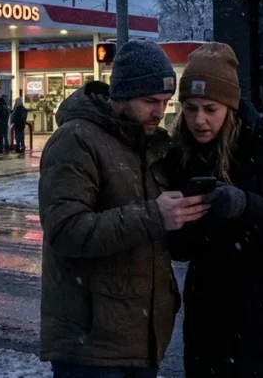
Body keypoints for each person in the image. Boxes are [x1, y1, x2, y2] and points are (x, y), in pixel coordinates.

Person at [38, 39, 210, 377]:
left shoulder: (151, 145)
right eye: (149, 101)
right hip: (92, 347)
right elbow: (65, 230)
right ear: (121, 96)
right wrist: (154, 215)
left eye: (165, 102)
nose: (159, 112)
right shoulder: (76, 140)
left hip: (142, 340)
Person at [165, 43, 263, 377]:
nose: (199, 120)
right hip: (209, 322)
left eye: (210, 108)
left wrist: (245, 206)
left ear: (230, 105)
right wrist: (177, 219)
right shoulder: (180, 154)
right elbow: (179, 249)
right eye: (190, 108)